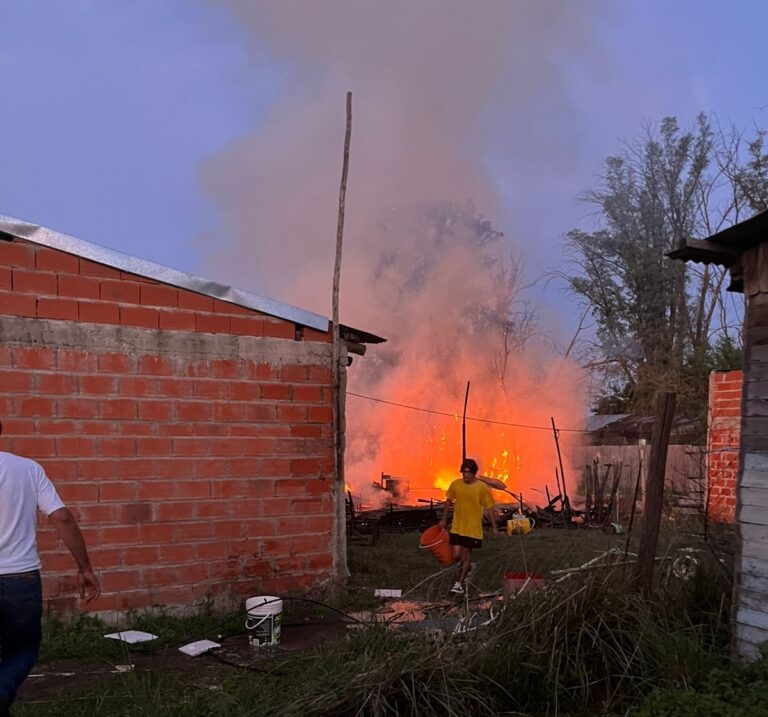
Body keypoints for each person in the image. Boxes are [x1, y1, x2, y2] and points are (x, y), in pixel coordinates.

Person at [0, 421, 100, 717]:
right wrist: (85, 567)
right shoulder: (27, 469)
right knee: (22, 648)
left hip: (18, 577)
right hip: (20, 577)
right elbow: (62, 517)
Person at [439, 458, 498, 596]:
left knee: (466, 553)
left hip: (472, 529)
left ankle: (459, 584)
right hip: (457, 526)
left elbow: (489, 507)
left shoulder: (481, 488)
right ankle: (467, 566)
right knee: (456, 554)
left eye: (468, 473)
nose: (465, 475)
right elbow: (448, 501)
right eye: (463, 473)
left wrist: (494, 526)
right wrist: (443, 519)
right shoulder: (456, 484)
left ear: (474, 473)